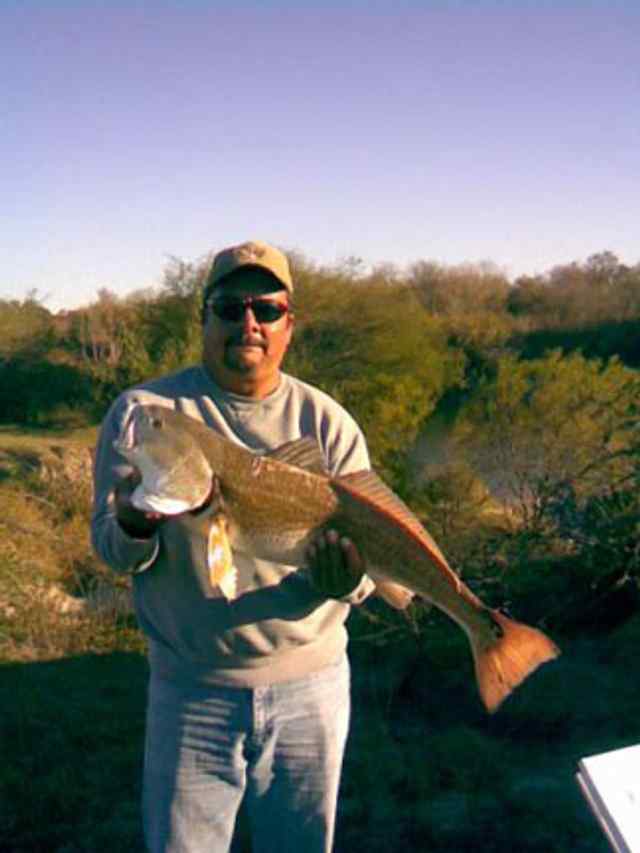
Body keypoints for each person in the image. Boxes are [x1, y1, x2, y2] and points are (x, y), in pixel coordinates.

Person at [91, 240, 412, 853]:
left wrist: (346, 580)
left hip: (312, 692)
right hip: (191, 692)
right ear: (203, 317)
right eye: (229, 306)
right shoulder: (147, 414)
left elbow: (370, 580)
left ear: (290, 324)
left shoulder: (328, 423)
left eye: (266, 309)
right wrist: (135, 519)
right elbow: (111, 550)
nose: (248, 323)